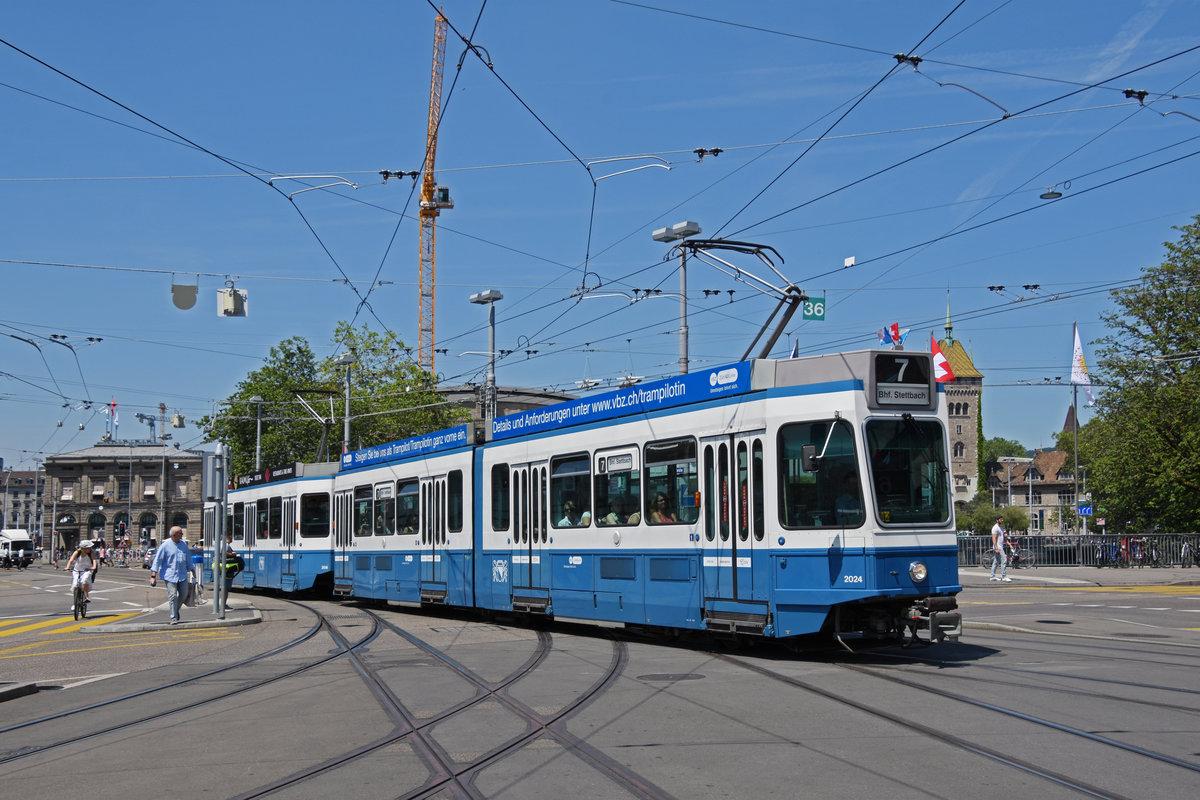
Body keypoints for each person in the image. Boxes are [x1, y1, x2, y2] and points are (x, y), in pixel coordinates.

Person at [149, 526, 195, 624]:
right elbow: (157, 561)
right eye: (180, 533)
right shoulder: (165, 546)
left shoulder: (183, 545)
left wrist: (193, 571)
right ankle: (173, 617)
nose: (182, 535)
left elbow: (188, 559)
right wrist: (153, 576)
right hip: (170, 575)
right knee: (173, 595)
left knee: (184, 594)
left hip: (182, 575)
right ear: (174, 535)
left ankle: (175, 610)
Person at [214, 531, 243, 607]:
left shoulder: (219, 544)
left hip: (220, 566)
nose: (232, 539)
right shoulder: (226, 545)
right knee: (226, 587)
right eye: (231, 538)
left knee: (223, 586)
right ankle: (223, 605)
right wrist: (233, 554)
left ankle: (221, 605)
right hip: (227, 568)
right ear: (229, 537)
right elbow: (225, 553)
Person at [65, 540, 97, 609]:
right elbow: (71, 560)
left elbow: (94, 560)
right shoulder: (77, 552)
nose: (90, 549)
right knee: (75, 585)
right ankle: (75, 603)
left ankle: (86, 597)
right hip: (77, 570)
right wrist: (67, 567)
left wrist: (93, 567)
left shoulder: (91, 553)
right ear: (83, 548)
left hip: (87, 570)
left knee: (84, 580)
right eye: (88, 548)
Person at [990, 515, 1012, 582]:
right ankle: (1004, 576)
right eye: (1001, 519)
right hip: (998, 546)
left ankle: (992, 576)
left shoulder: (1001, 528)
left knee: (996, 561)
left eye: (1002, 519)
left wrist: (1009, 544)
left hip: (1000, 546)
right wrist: (996, 548)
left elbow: (1004, 539)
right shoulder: (995, 528)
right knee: (1004, 559)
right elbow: (994, 538)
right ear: (997, 520)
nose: (1002, 520)